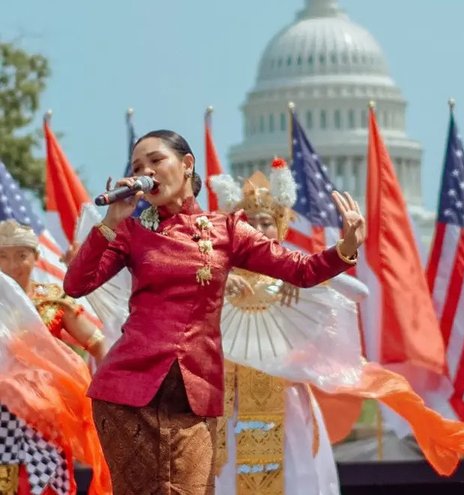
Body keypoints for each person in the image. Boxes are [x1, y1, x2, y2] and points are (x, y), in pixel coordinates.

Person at [63, 129, 364, 495]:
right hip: (129, 394)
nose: (147, 171)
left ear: (187, 164)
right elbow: (76, 285)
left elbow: (301, 271)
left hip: (193, 392)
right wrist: (111, 220)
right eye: (138, 166)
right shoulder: (131, 231)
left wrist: (345, 247)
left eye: (156, 160)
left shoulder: (227, 230)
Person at [211, 160, 361, 495]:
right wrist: (221, 278)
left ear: (278, 227)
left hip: (283, 401)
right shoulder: (216, 278)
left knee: (296, 480)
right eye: (250, 223)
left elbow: (358, 294)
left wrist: (310, 279)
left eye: (266, 223)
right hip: (228, 405)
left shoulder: (294, 273)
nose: (258, 229)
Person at [0, 221, 110, 495]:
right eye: (2, 256)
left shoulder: (53, 300)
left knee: (46, 484)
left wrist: (112, 385)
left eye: (21, 255)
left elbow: (97, 343)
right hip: (2, 412)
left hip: (47, 414)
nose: (12, 264)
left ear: (36, 257)